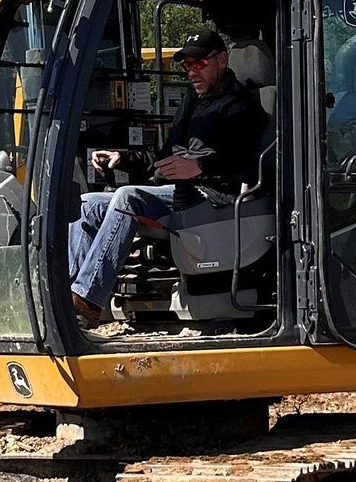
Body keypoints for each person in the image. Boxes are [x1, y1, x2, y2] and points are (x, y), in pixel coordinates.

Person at [69, 27, 266, 326]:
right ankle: (72, 292)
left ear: (222, 60)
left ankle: (88, 299)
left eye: (199, 64)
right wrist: (124, 159)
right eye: (187, 65)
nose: (191, 72)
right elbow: (164, 155)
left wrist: (201, 168)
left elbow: (248, 163)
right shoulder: (193, 101)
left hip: (212, 197)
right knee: (85, 203)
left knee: (127, 198)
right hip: (175, 192)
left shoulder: (243, 107)